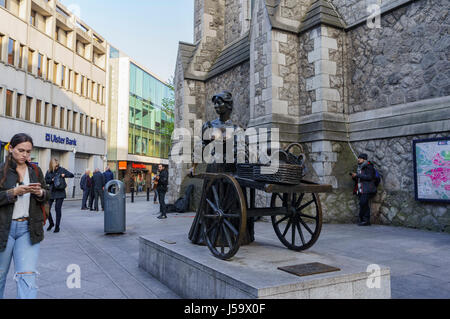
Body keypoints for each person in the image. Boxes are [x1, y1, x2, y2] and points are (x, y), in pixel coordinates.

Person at [0, 133, 50, 299]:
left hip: (28, 229)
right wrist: (12, 193)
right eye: (21, 150)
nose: (25, 155)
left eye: (28, 151)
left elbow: (46, 194)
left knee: (27, 277)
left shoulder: (35, 170)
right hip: (3, 229)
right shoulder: (1, 170)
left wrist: (40, 192)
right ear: (11, 148)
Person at [45, 159, 74, 233]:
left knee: (57, 209)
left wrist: (64, 175)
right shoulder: (49, 171)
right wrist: (52, 180)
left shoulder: (62, 170)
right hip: (51, 191)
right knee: (46, 209)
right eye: (55, 166)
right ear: (52, 165)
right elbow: (45, 180)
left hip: (60, 192)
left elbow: (71, 175)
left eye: (57, 165)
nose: (57, 167)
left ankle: (57, 226)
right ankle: (51, 223)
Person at [351, 153, 377, 226]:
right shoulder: (360, 167)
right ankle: (364, 220)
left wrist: (358, 175)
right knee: (364, 204)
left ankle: (365, 220)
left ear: (364, 159)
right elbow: (360, 179)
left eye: (360, 158)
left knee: (363, 203)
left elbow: (369, 177)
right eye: (358, 158)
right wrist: (355, 177)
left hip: (367, 189)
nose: (358, 159)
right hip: (361, 189)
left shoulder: (369, 167)